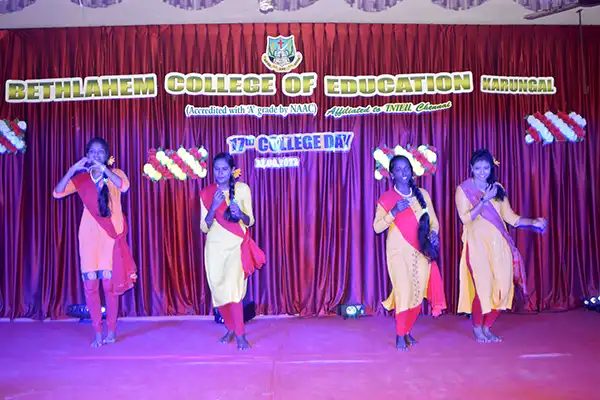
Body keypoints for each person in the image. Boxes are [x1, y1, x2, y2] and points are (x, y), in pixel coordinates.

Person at [455, 149, 547, 343]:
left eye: (486, 168)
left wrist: (533, 222)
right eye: (478, 168)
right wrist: (484, 200)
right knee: (483, 288)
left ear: (491, 168)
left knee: (503, 288)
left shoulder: (497, 188)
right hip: (477, 246)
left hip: (500, 246)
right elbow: (465, 219)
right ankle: (477, 328)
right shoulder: (464, 190)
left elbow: (511, 218)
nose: (482, 172)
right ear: (471, 168)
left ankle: (487, 327)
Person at [53, 137, 137, 348]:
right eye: (92, 151)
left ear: (107, 155)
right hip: (88, 237)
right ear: (87, 156)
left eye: (100, 152)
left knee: (109, 286)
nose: (96, 155)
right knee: (91, 286)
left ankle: (112, 331)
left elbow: (124, 187)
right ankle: (97, 332)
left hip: (110, 237)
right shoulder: (82, 180)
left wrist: (105, 170)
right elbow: (57, 193)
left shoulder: (116, 174)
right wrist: (72, 170)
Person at [373, 155, 447, 351]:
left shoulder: (422, 194)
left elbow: (434, 222)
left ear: (411, 170)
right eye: (398, 169)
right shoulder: (387, 199)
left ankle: (407, 330)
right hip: (397, 252)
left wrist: (433, 233)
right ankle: (400, 334)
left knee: (417, 292)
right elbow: (377, 227)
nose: (403, 172)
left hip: (420, 250)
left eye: (406, 168)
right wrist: (393, 212)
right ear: (392, 174)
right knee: (403, 291)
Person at [200, 152, 266, 351]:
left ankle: (240, 335)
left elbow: (250, 221)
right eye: (217, 169)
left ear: (231, 171)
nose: (220, 173)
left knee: (234, 291)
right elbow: (204, 227)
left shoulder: (242, 189)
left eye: (224, 169)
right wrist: (213, 208)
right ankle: (230, 328)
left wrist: (241, 214)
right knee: (218, 292)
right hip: (214, 249)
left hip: (236, 247)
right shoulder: (207, 193)